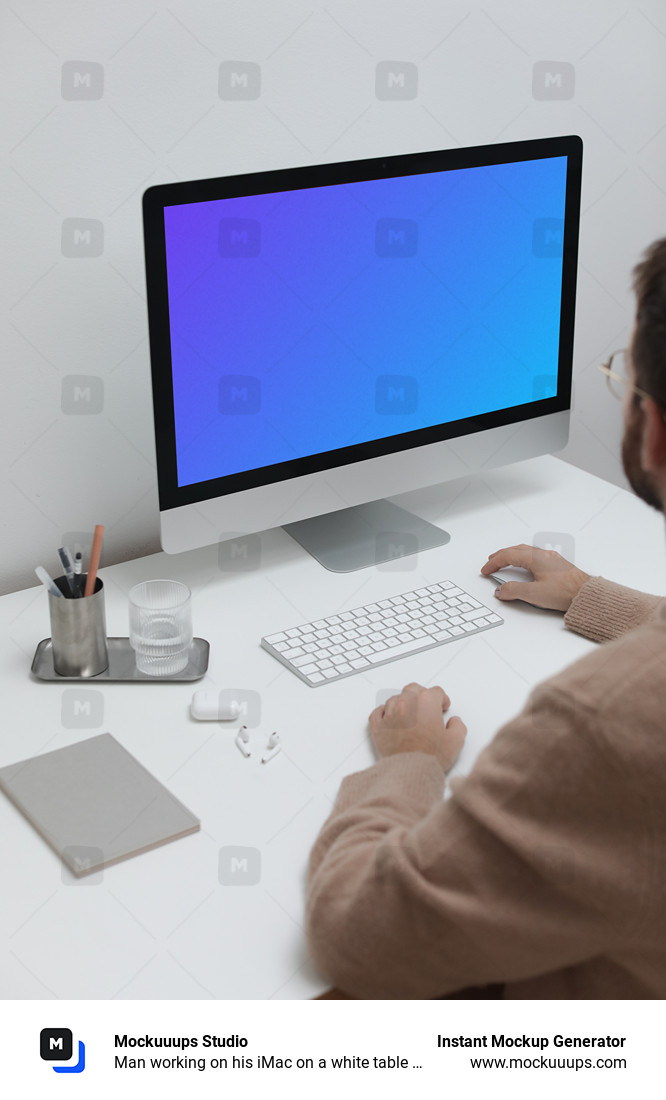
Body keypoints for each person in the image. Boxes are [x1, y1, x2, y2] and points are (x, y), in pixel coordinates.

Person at [305, 238, 666, 999]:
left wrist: (408, 762)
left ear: (655, 429)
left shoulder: (606, 724)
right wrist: (590, 596)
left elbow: (356, 936)